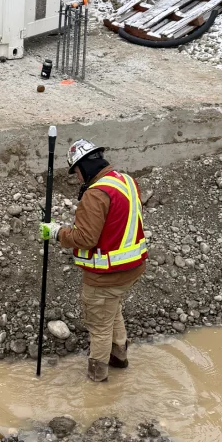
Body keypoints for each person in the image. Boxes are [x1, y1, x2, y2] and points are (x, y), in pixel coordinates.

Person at [39, 139, 148, 382]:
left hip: (105, 275)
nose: (77, 178)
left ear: (84, 166)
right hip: (132, 267)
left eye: (76, 172)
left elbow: (85, 238)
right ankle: (119, 356)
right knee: (112, 310)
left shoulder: (96, 194)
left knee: (99, 325)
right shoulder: (125, 181)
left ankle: (98, 378)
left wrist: (56, 232)